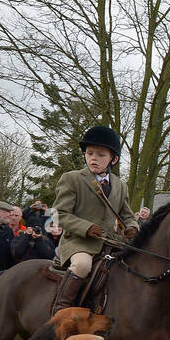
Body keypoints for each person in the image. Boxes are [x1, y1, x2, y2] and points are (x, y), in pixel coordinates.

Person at [51, 125, 138, 312]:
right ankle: (61, 310)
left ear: (113, 159)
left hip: (111, 243)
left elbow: (127, 215)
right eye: (90, 153)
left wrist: (132, 227)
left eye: (100, 155)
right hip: (79, 242)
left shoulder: (120, 185)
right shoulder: (72, 179)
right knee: (82, 265)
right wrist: (86, 227)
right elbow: (60, 214)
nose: (93, 158)